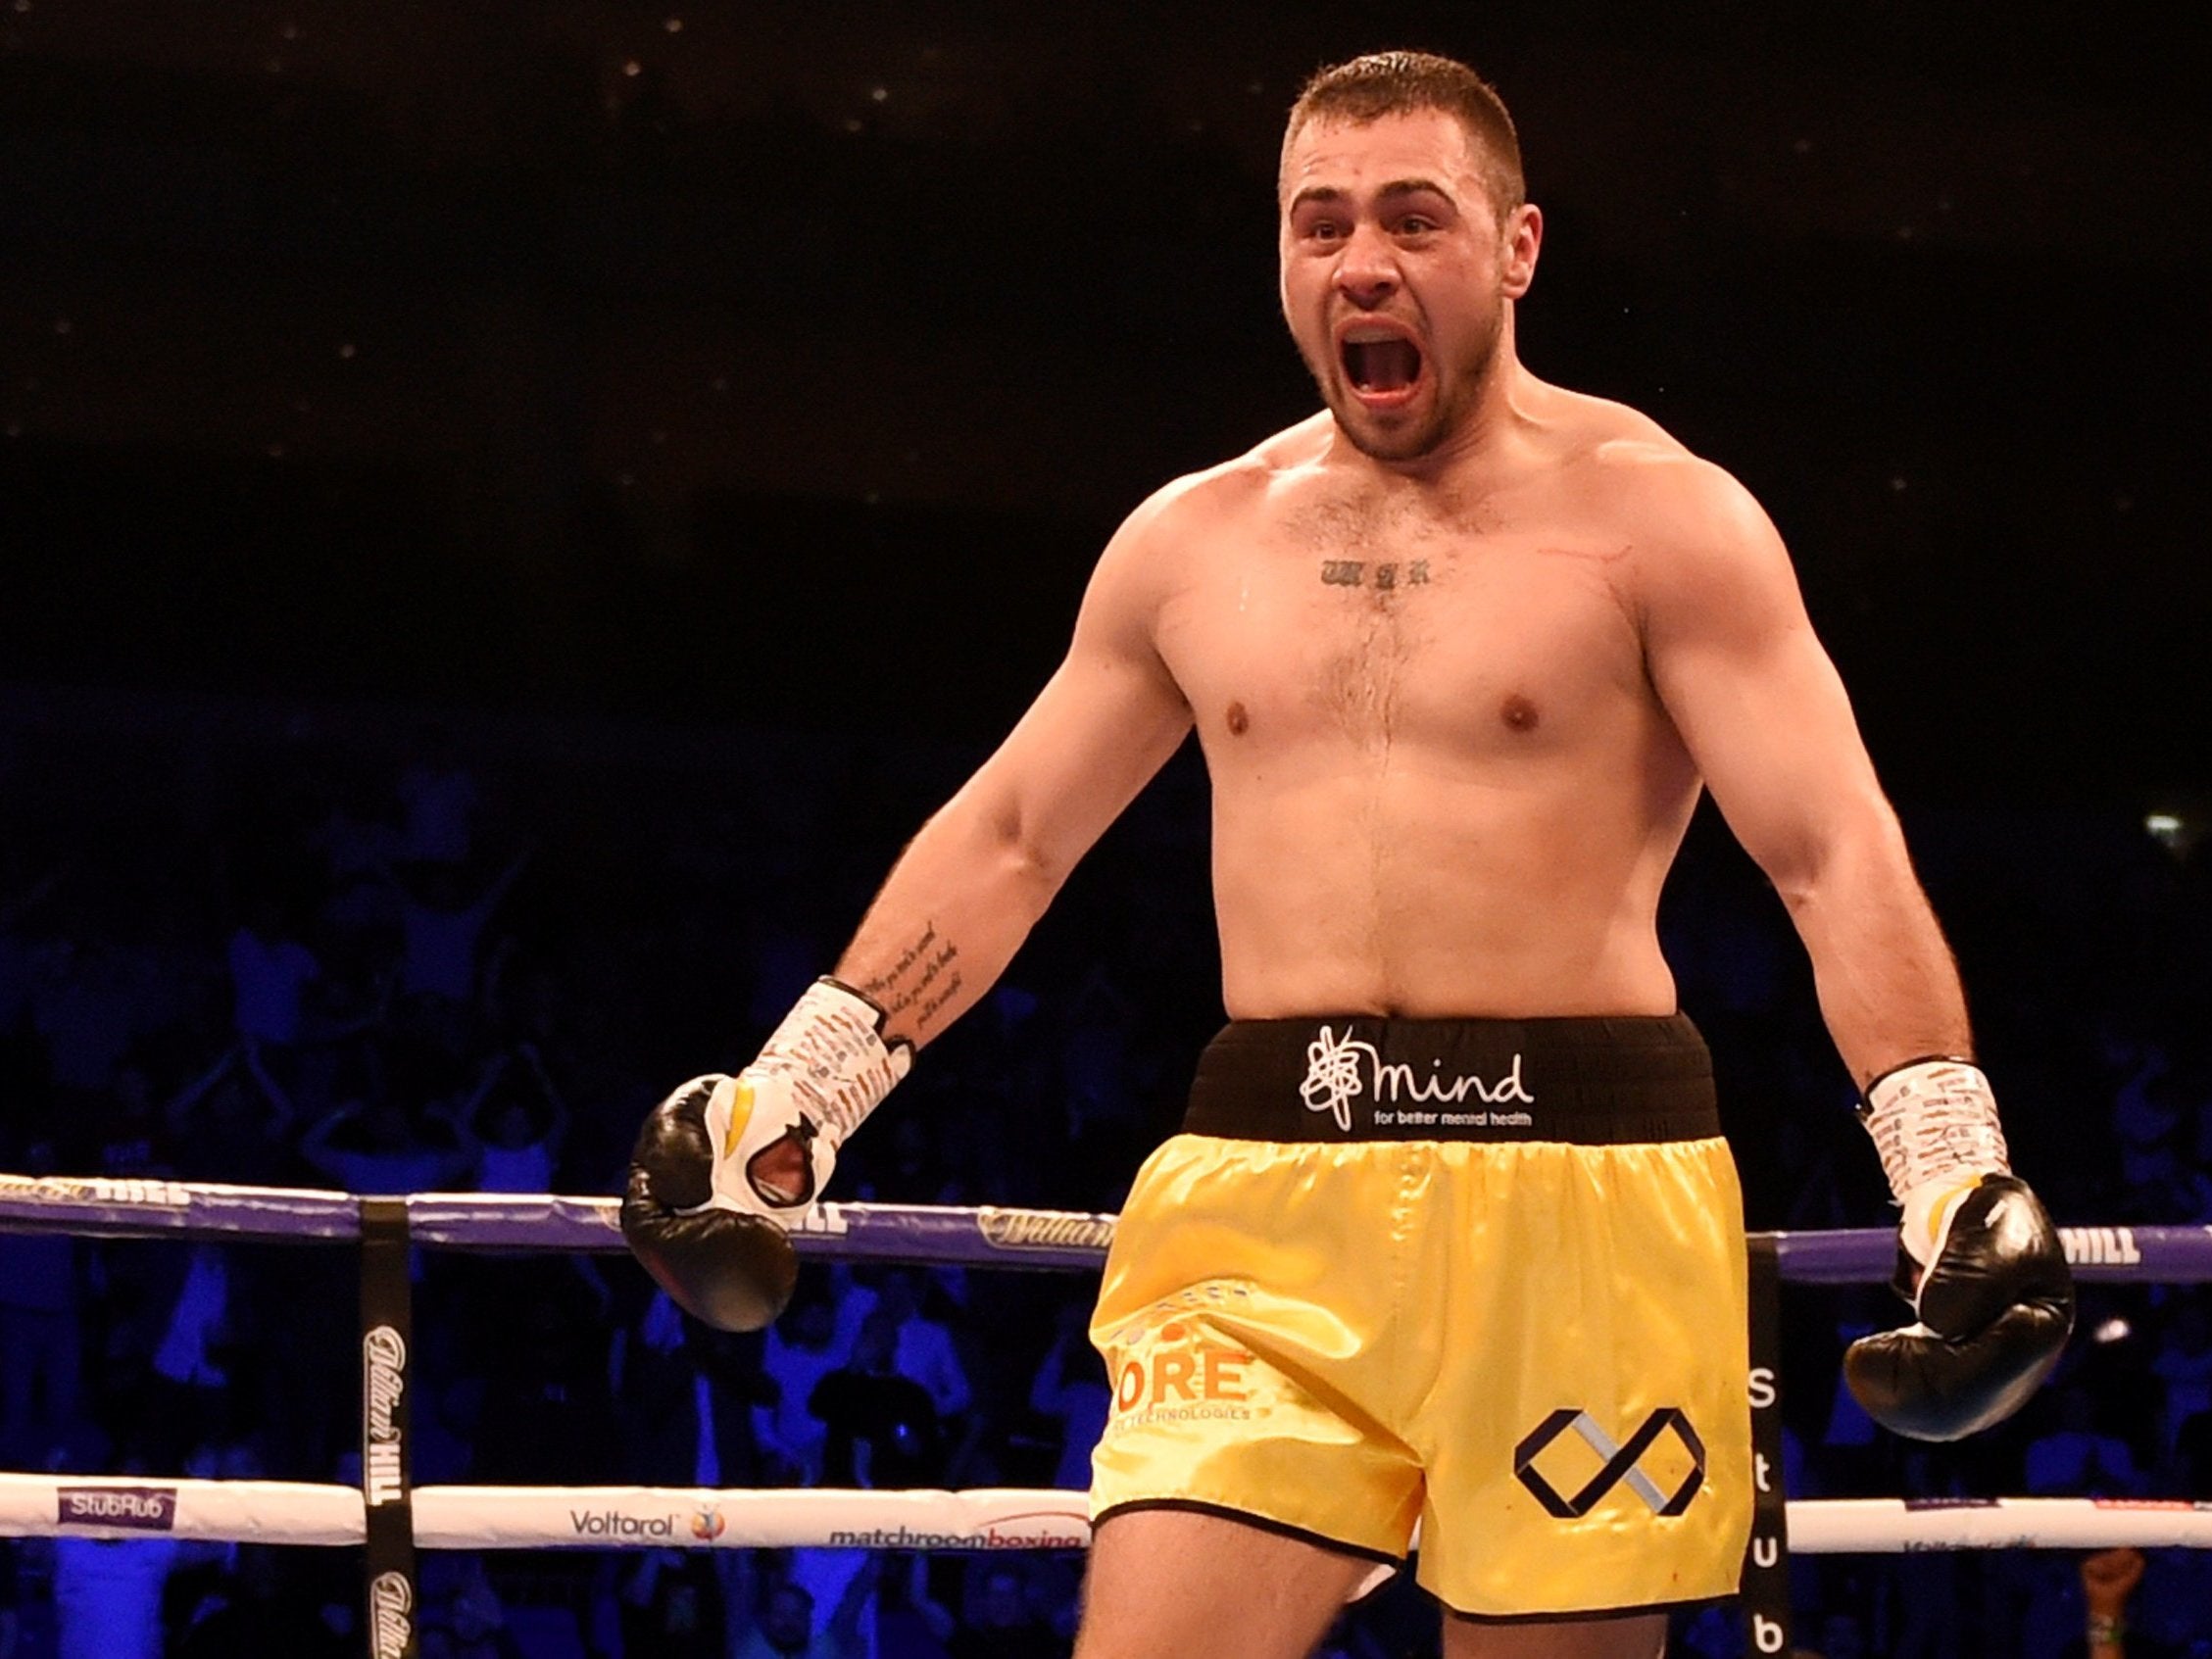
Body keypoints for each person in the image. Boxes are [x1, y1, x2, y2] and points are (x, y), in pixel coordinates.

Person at [623, 49, 2074, 1658]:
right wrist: (793, 1100)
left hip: (1586, 1195)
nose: (1360, 263)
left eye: (1411, 219)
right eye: (1318, 226)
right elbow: (1018, 833)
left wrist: (1949, 1174)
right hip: (1265, 1190)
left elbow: (1828, 853)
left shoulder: (1667, 524)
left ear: (1514, 250)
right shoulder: (1192, 540)